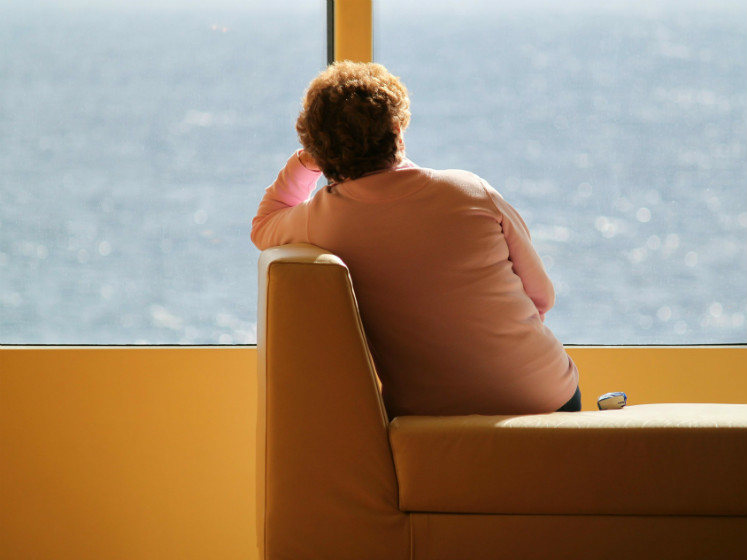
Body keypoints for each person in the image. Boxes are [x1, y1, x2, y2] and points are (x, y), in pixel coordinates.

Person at [251, 61, 580, 417]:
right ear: (397, 129)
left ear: (319, 150)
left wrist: (303, 164)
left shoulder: (321, 220)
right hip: (547, 399)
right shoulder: (470, 191)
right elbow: (542, 297)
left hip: (427, 417)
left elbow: (264, 224)